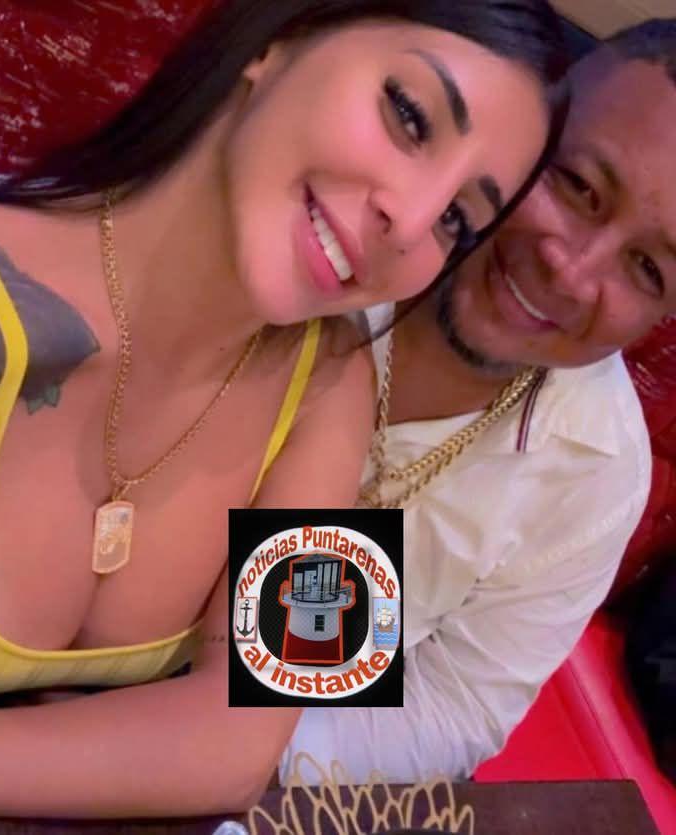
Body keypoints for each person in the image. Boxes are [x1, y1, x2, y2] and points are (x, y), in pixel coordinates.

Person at [0, 0, 566, 818]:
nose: (412, 220)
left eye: (458, 219)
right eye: (409, 116)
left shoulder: (339, 386)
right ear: (279, 41)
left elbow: (248, 746)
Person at [282, 18, 676, 786]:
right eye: (578, 186)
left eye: (647, 270)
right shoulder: (330, 234)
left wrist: (226, 748)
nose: (571, 272)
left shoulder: (596, 471)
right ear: (531, 119)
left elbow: (455, 706)